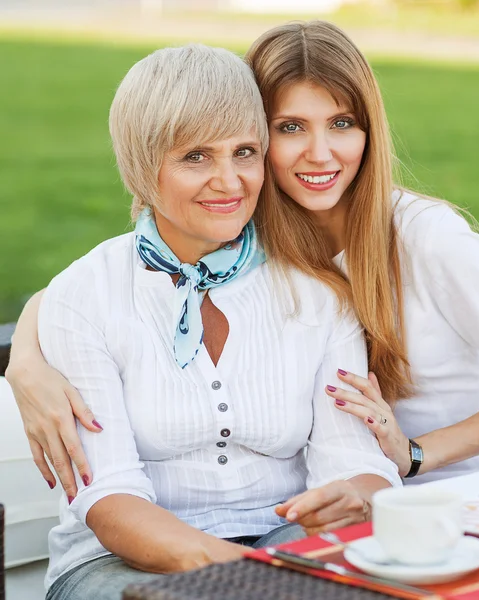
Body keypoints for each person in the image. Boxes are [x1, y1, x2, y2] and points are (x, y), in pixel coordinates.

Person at [7, 21, 479, 497]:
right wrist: (26, 361)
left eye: (342, 124)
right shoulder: (245, 228)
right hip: (342, 508)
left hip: (467, 495)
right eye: (290, 128)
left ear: (369, 132)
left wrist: (414, 455)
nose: (320, 154)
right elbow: (119, 276)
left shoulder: (429, 239)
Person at [11, 44, 400, 600]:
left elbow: (357, 463)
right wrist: (253, 576)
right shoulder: (86, 294)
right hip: (116, 564)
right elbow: (109, 500)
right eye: (195, 157)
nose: (230, 180)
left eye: (245, 152)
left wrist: (355, 496)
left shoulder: (317, 293)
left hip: (286, 541)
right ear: (143, 168)